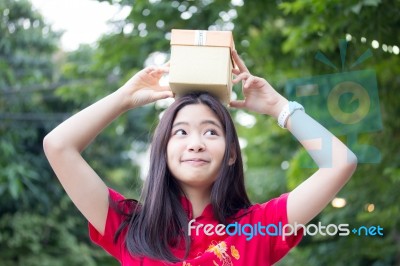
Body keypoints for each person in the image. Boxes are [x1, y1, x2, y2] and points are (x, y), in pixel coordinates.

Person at [43, 50, 357, 265]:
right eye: (180, 133)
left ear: (231, 153)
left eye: (210, 132)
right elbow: (58, 146)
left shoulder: (259, 229)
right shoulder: (129, 226)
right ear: (162, 151)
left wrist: (279, 108)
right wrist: (124, 99)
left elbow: (339, 162)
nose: (195, 144)